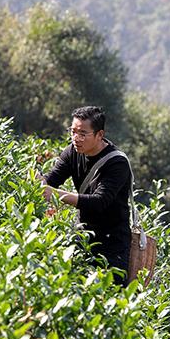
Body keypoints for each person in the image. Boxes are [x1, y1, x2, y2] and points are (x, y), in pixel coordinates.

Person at [41, 106, 132, 281]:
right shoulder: (72, 152)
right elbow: (51, 180)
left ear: (100, 135)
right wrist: (39, 182)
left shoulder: (117, 163)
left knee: (108, 294)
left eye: (83, 134)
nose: (76, 138)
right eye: (73, 132)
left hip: (112, 246)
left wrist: (55, 194)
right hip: (83, 237)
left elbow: (99, 202)